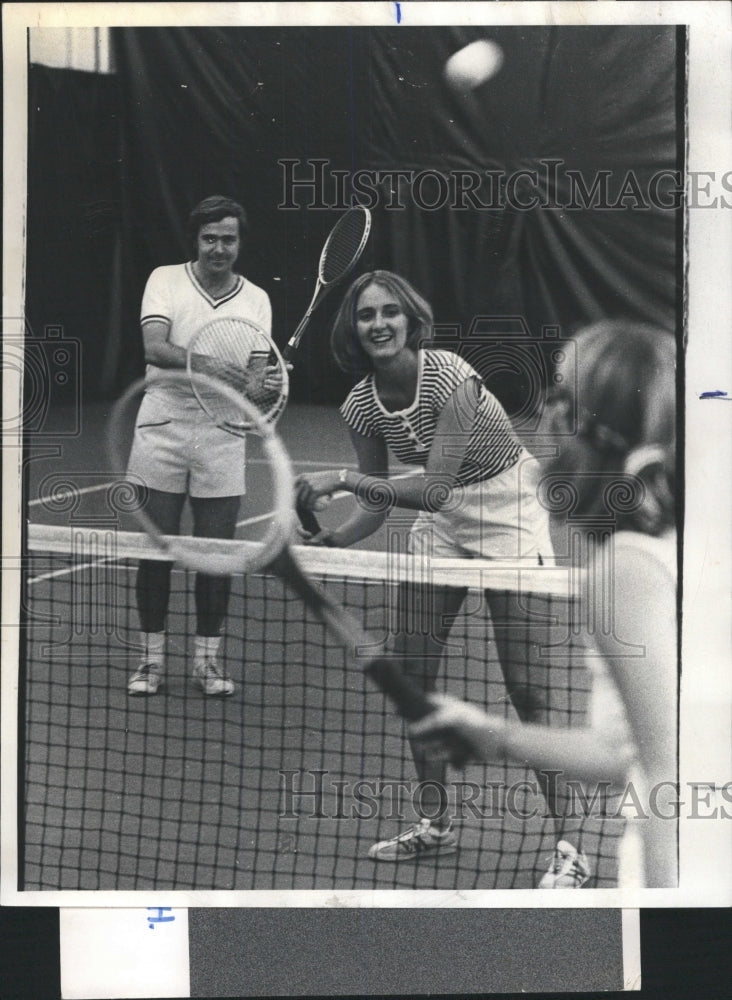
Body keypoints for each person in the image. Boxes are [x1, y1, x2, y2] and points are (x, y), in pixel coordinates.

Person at [296, 270, 590, 884]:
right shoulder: (360, 405)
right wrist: (336, 539)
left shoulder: (452, 374)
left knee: (527, 689)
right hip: (444, 524)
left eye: (389, 313)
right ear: (353, 329)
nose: (378, 324)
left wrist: (343, 480)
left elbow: (431, 485)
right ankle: (434, 825)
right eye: (366, 315)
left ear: (410, 320)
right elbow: (380, 502)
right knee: (413, 679)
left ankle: (571, 850)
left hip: (508, 507)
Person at [409, 320, 678, 888]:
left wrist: (667, 923)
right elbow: (627, 753)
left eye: (561, 394)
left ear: (586, 422)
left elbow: (661, 775)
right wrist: (495, 735)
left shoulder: (625, 568)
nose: (547, 412)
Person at [126, 195, 277, 697]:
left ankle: (207, 664)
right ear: (196, 240)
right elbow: (155, 348)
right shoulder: (164, 280)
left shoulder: (257, 300)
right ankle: (150, 662)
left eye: (227, 239)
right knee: (156, 549)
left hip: (223, 433)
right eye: (209, 238)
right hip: (162, 426)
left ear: (240, 243)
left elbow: (255, 384)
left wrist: (267, 384)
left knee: (216, 553)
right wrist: (213, 367)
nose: (218, 248)